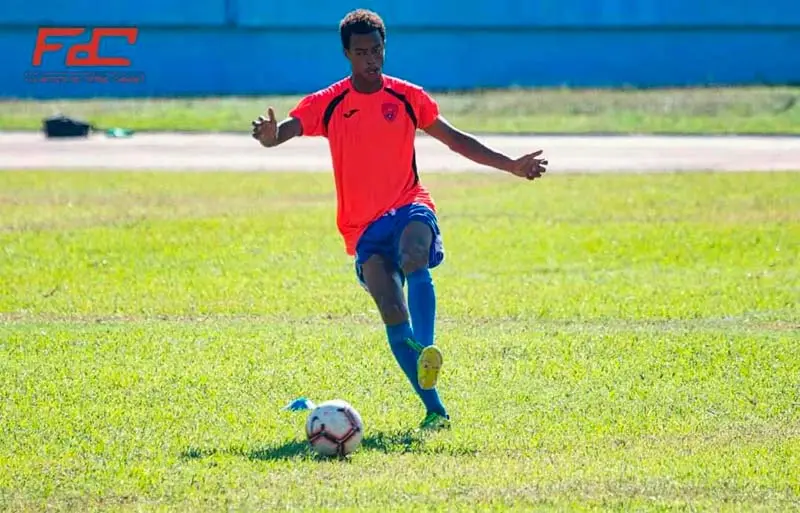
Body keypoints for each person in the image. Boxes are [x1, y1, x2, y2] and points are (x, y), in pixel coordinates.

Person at [251, 9, 548, 431]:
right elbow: (289, 129)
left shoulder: (407, 97)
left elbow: (456, 140)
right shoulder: (330, 102)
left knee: (414, 257)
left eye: (377, 50)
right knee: (392, 308)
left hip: (409, 205)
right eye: (361, 52)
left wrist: (511, 165)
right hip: (363, 229)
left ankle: (427, 349)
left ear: (384, 47)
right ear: (346, 54)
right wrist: (270, 136)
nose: (371, 59)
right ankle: (435, 410)